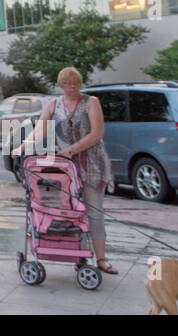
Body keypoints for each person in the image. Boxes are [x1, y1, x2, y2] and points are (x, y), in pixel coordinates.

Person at [14, 66, 117, 274]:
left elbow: (97, 133)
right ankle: (77, 253)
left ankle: (101, 259)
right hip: (65, 167)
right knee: (68, 210)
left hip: (91, 162)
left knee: (94, 211)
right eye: (68, 84)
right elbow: (40, 131)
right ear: (61, 85)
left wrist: (73, 149)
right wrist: (23, 146)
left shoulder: (91, 102)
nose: (72, 87)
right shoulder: (53, 104)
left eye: (76, 83)